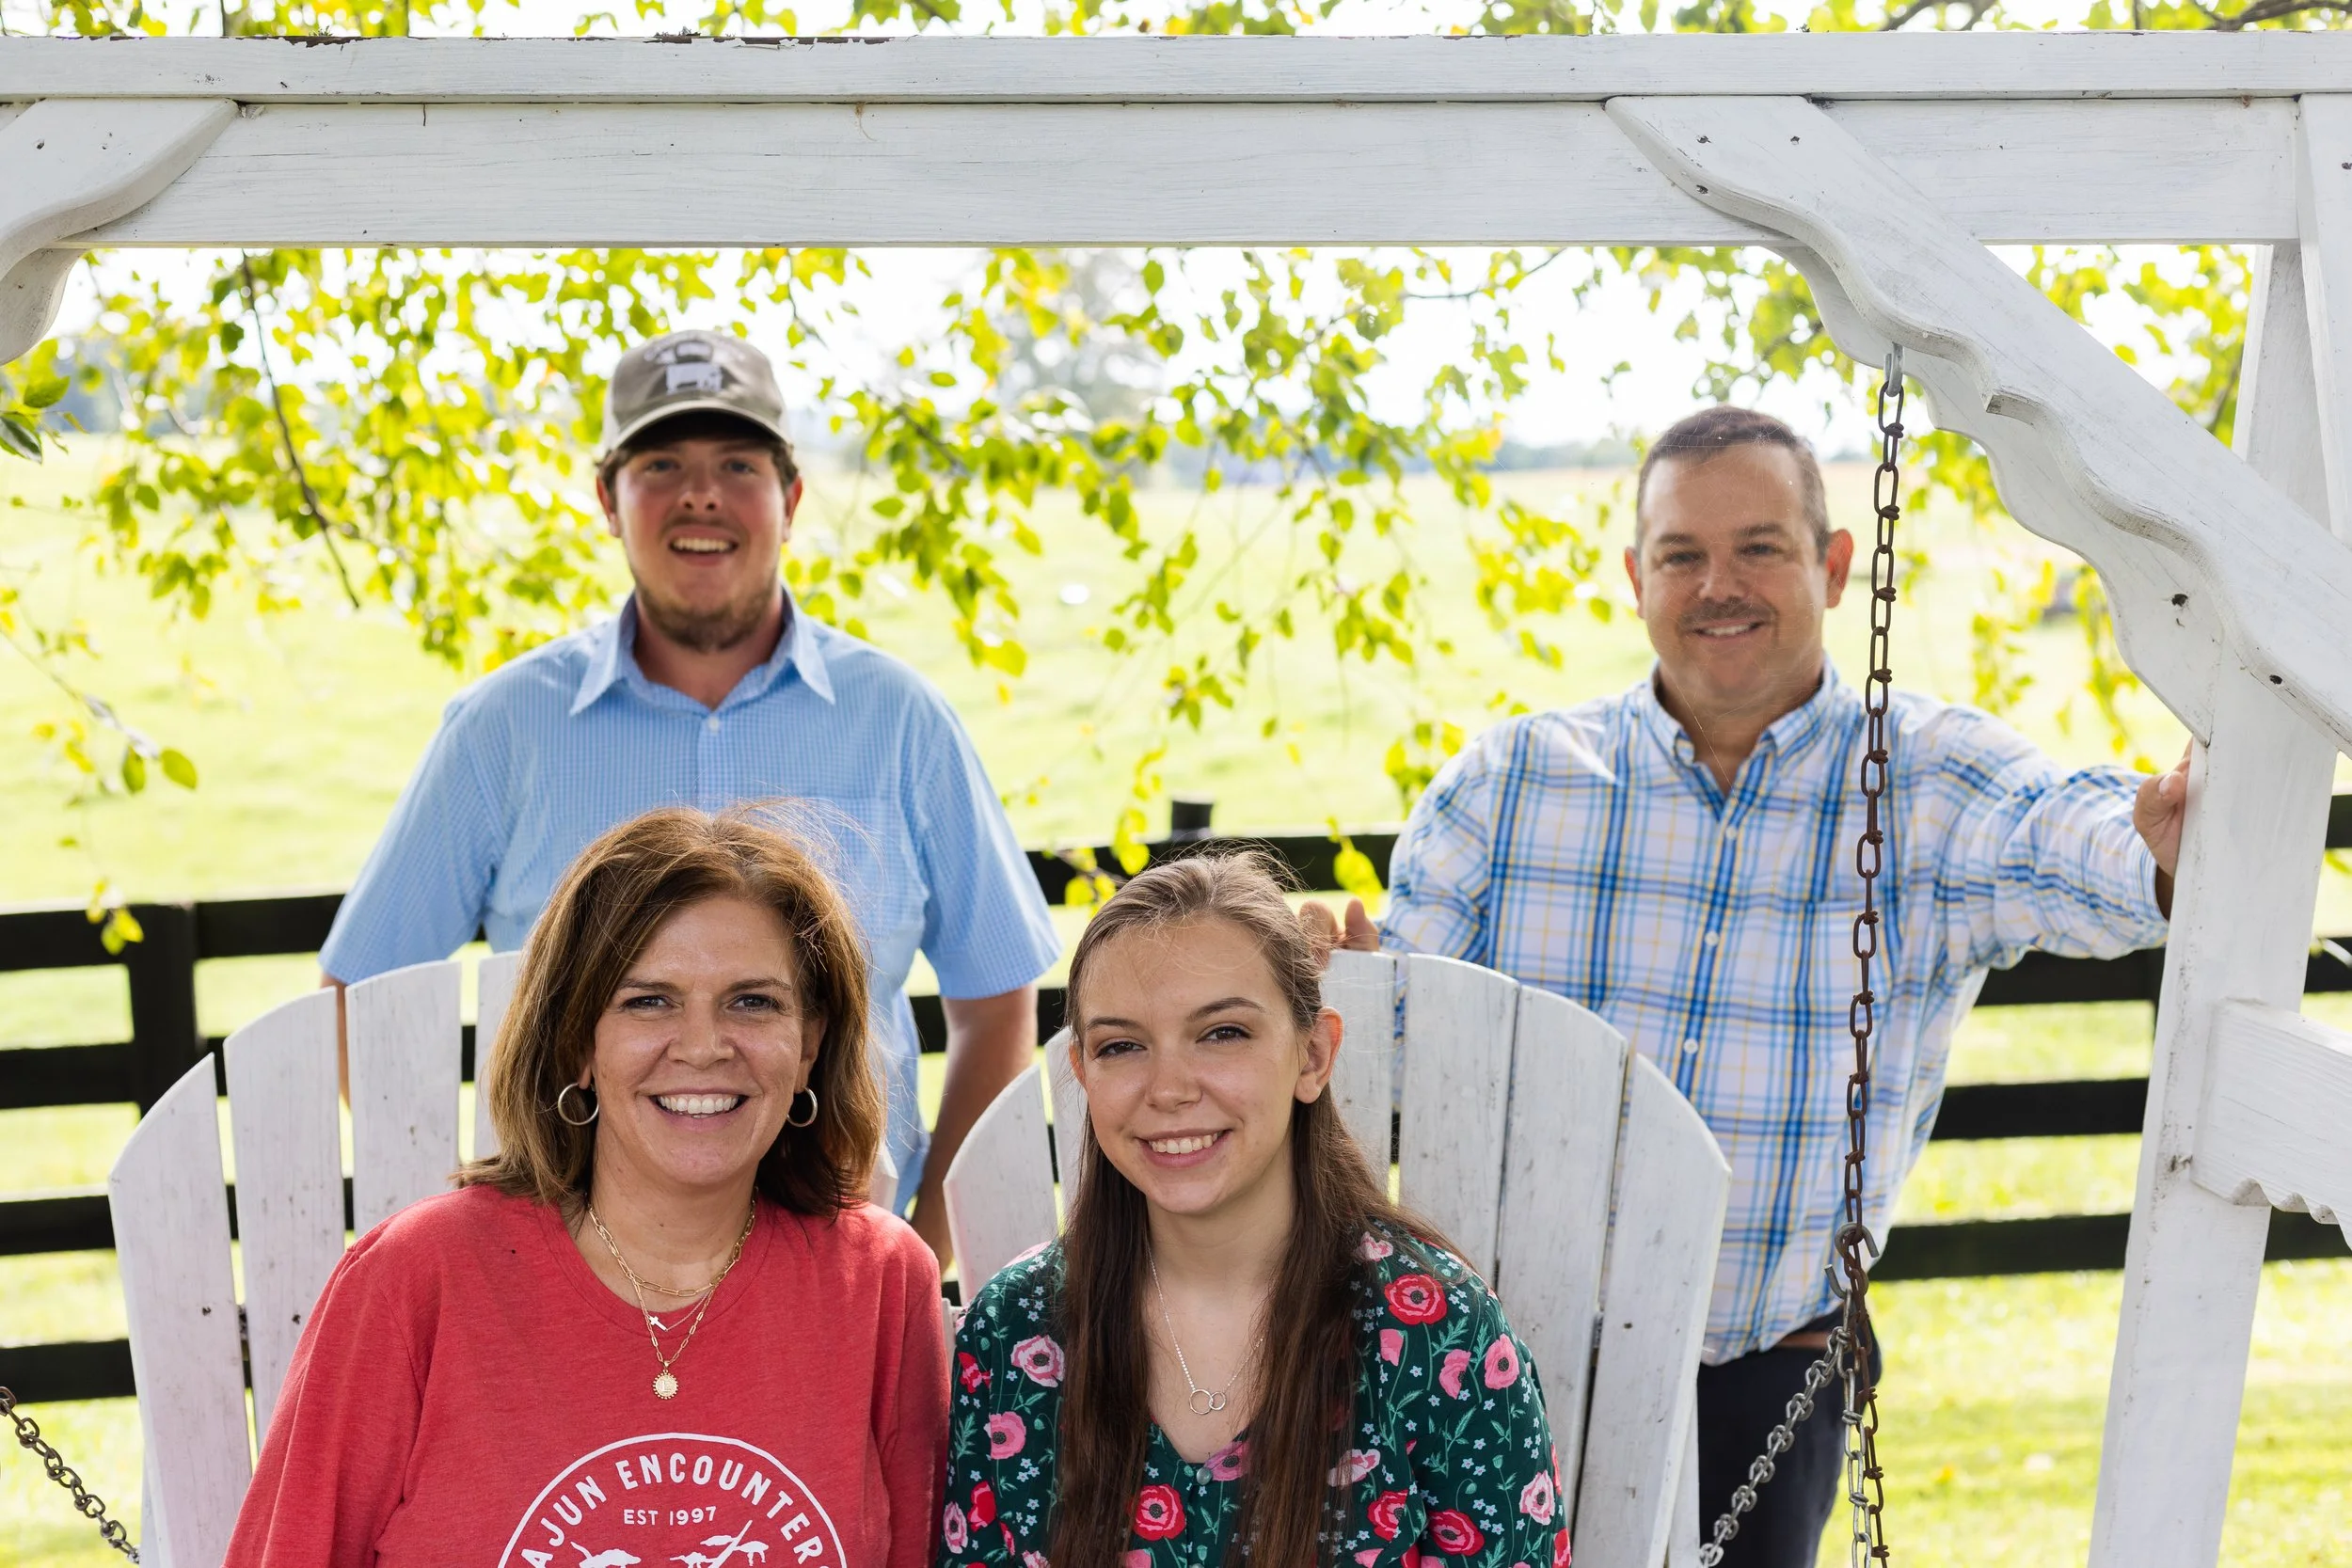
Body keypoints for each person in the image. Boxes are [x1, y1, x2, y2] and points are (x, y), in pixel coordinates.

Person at [1313, 405, 2188, 1568]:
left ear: (1834, 566)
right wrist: (1347, 995)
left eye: (1759, 546)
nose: (1717, 583)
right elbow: (1400, 1040)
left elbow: (2070, 839)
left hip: (1766, 1371)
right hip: (1499, 1367)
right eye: (1682, 553)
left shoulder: (1929, 780)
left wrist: (2161, 851)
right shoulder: (1510, 784)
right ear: (1636, 577)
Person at [318, 328, 1059, 1262]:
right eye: (661, 461)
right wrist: (482, 1246)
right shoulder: (502, 729)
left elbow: (996, 1002)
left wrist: (926, 1249)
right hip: (569, 1275)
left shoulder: (902, 721)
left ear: (789, 499)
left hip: (835, 1265)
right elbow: (359, 993)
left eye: (736, 463)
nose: (700, 492)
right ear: (608, 498)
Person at [230, 808, 946, 1568]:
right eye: (649, 1000)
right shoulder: (416, 1280)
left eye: (753, 1001)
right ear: (577, 1042)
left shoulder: (879, 1280)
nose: (703, 1046)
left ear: (809, 1046)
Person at [944, 853, 1567, 1568]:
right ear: (1082, 1073)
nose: (1169, 1088)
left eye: (1223, 1032)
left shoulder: (1436, 1334)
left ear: (1312, 1054)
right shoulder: (1013, 1332)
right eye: (1122, 1046)